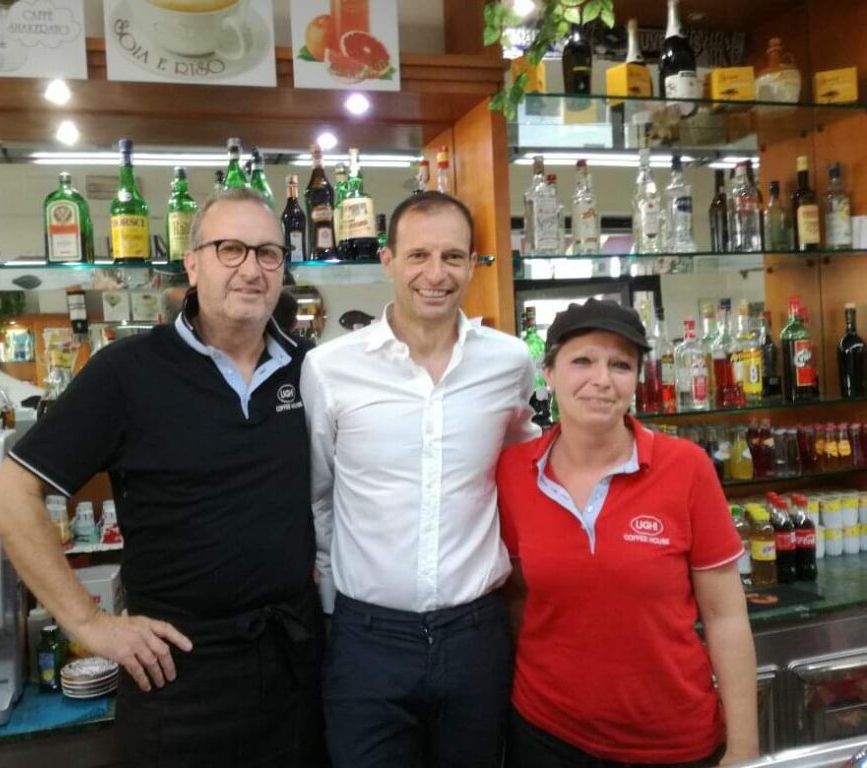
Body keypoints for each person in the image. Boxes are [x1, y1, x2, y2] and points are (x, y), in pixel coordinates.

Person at [0, 188, 327, 767]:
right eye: (231, 249)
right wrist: (89, 623)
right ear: (193, 264)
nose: (251, 269)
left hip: (294, 665)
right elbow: (9, 497)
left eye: (268, 253)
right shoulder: (128, 371)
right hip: (176, 674)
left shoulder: (310, 368)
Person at [301, 191, 538, 767]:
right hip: (366, 639)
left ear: (473, 264)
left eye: (453, 257)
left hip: (475, 634)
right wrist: (336, 600)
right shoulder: (330, 368)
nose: (436, 274)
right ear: (387, 260)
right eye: (418, 256)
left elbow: (520, 474)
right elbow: (318, 495)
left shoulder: (509, 362)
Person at [496, 298, 759, 767]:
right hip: (546, 734)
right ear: (548, 374)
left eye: (620, 365)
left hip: (671, 742)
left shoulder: (686, 468)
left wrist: (743, 750)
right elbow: (517, 599)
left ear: (637, 378)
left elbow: (725, 616)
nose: (602, 379)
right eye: (582, 361)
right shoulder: (515, 472)